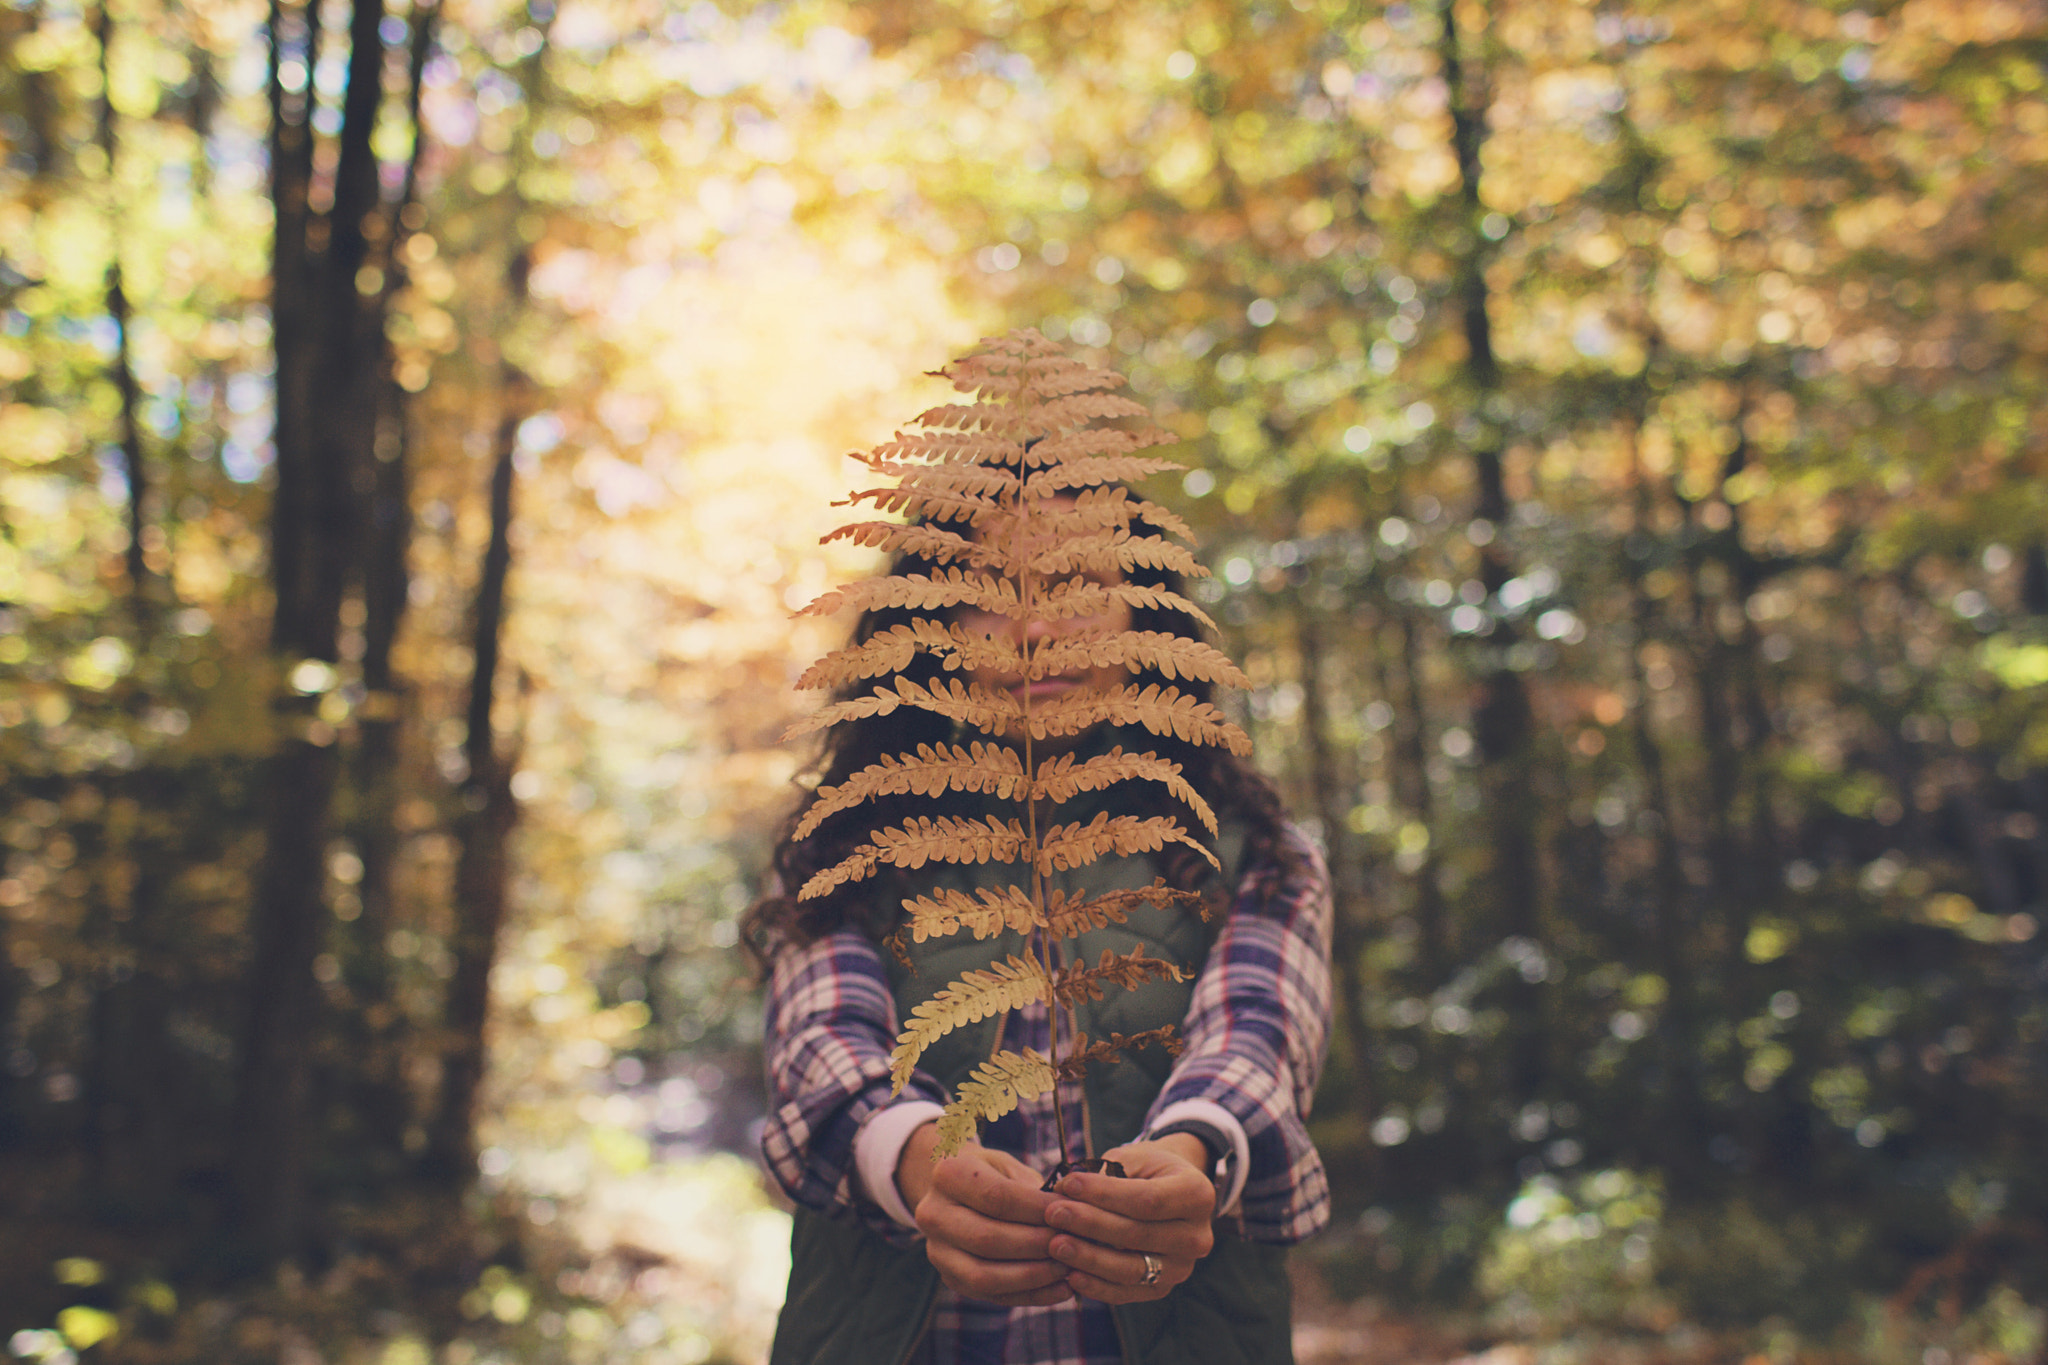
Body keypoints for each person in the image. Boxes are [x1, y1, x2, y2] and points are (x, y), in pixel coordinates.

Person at [743, 508, 1333, 1365]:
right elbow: (822, 1045)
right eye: (987, 594)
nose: (1036, 629)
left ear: (1145, 610)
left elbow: (1260, 1035)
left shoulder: (1250, 848)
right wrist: (919, 1164)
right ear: (927, 626)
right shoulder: (844, 844)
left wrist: (1189, 1152)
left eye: (1079, 584)